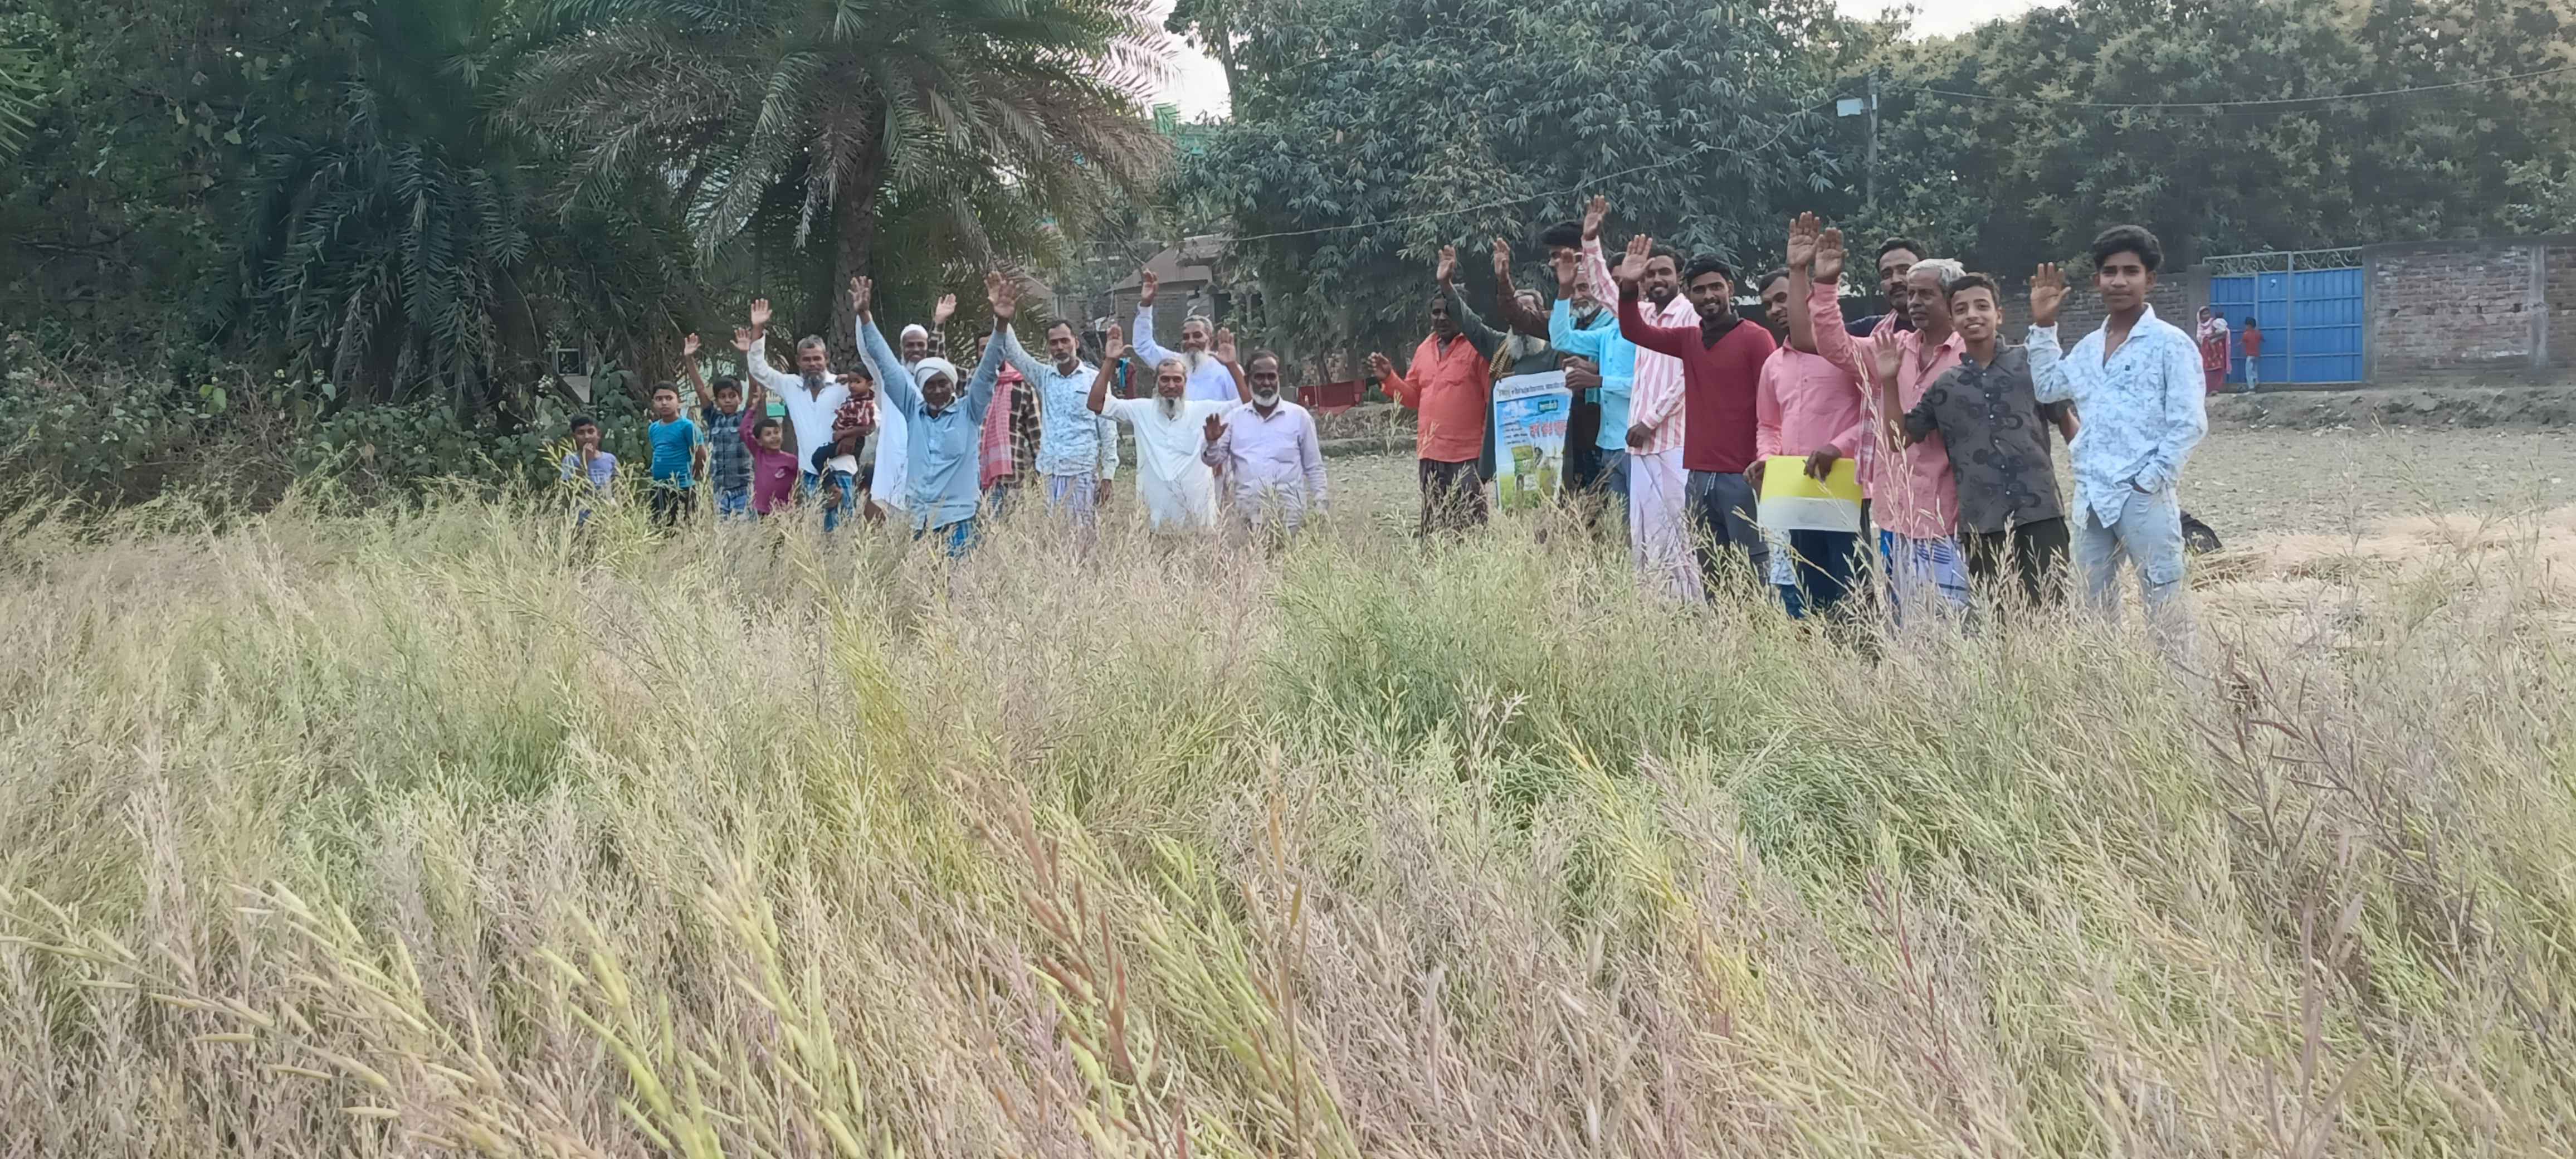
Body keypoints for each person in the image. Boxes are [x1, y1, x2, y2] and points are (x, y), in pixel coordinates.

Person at [2027, 225, 2209, 650]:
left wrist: (2151, 480)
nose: (2119, 281)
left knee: (2165, 604)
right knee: (2092, 608)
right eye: (2110, 272)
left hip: (2144, 495)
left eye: (2131, 271)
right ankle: (2106, 687)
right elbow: (2048, 388)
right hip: (2093, 497)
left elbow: (2189, 423)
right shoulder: (2089, 348)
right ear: (2097, 281)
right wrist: (2044, 324)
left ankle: (2179, 688)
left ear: (2151, 280)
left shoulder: (2170, 344)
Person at [1794, 215, 1970, 619]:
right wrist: (1825, 284)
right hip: (1897, 514)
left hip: (1954, 516)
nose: (1913, 300)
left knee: (1953, 624)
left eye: (1924, 293)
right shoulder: (1894, 348)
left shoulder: (1970, 354)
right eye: (1911, 293)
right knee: (1902, 619)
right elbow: (1835, 346)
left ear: (1951, 299)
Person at [1877, 272, 2078, 611]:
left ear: (1999, 315)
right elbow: (1898, 440)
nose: (1972, 315)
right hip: (1983, 524)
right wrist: (1888, 381)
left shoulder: (2029, 364)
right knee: (1997, 620)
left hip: (2040, 514)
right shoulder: (1945, 387)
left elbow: (2069, 425)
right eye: (1961, 309)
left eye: (1982, 306)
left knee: (2050, 613)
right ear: (1952, 321)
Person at [1612, 236, 1777, 595]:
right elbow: (1634, 330)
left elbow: (1772, 408)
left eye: (1716, 287)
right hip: (1699, 477)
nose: (1709, 296)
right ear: (1688, 294)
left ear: (1730, 288)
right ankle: (1720, 629)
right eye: (1699, 290)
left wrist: (1766, 460)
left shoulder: (1756, 339)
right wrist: (1628, 287)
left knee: (1753, 573)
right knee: (1712, 574)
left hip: (1744, 476)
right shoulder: (1688, 339)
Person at [1579, 195, 1700, 597]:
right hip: (1640, 445)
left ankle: (1690, 606)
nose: (1656, 280)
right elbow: (1603, 291)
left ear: (1679, 277)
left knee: (1680, 529)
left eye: (1664, 272)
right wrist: (1590, 240)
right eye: (1649, 275)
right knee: (1645, 531)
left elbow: (1686, 379)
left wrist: (1650, 420)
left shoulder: (1691, 316)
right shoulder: (1643, 315)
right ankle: (1654, 606)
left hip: (1675, 442)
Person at [857, 272, 1013, 558]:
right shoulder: (913, 412)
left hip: (959, 521)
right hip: (918, 522)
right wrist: (865, 316)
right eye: (930, 385)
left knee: (960, 583)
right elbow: (886, 364)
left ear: (953, 385)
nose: (938, 390)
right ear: (921, 389)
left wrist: (1001, 325)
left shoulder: (969, 411)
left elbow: (988, 369)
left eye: (943, 384)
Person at [1754, 264, 1868, 619]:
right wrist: (1767, 461)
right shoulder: (1773, 365)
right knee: (1809, 588)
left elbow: (1874, 416)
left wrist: (1838, 447)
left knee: (1854, 589)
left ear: (1807, 298)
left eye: (1783, 298)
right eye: (1768, 304)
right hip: (1797, 492)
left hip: (1847, 490)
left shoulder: (1846, 354)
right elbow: (1768, 425)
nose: (1776, 309)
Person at [1372, 267, 1494, 539]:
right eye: (1436, 312)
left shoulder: (1478, 349)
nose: (1441, 318)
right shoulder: (1424, 349)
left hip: (1467, 458)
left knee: (1471, 528)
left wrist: (1487, 459)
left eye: (1448, 311)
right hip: (1430, 456)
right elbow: (1413, 397)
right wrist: (1389, 378)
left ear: (1462, 312)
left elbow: (1492, 404)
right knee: (1434, 528)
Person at [1089, 323, 1239, 532]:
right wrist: (1110, 361)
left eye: (1177, 380)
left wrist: (1232, 366)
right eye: (1165, 380)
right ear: (1156, 382)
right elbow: (1096, 404)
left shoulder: (1203, 411)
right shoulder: (1141, 410)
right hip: (1154, 524)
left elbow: (1249, 405)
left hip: (1199, 523)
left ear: (1185, 383)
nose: (1171, 385)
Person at [994, 316, 1123, 534]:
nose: (1060, 347)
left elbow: (1108, 430)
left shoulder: (1095, 379)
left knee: (1082, 537)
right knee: (1053, 537)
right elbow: (1015, 354)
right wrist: (1002, 318)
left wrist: (1108, 476)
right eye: (1054, 343)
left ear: (1076, 343)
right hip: (1050, 473)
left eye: (1065, 341)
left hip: (1082, 473)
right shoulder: (1044, 377)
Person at [1546, 214, 1633, 508]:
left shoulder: (1651, 332)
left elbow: (1652, 388)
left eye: (1624, 283)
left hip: (1640, 446)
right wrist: (1564, 290)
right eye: (1614, 283)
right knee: (1616, 525)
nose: (1617, 290)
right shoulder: (1610, 333)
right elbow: (1561, 339)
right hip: (1608, 443)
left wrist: (1597, 379)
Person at [1201, 349, 1328, 542]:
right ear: (1248, 379)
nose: (1267, 383)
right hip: (1247, 517)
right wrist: (1211, 442)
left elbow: (1314, 466)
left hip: (1290, 517)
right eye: (1260, 377)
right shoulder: (1234, 418)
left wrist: (1321, 504)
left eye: (1271, 376)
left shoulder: (1299, 417)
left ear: (1279, 378)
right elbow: (1213, 460)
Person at [740, 298, 850, 501]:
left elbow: (873, 417)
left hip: (841, 471)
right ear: (798, 361)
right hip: (810, 474)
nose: (812, 364)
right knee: (813, 523)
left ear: (826, 359)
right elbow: (758, 370)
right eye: (807, 359)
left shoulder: (843, 386)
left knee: (844, 522)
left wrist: (852, 436)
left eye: (817, 358)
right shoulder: (790, 385)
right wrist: (758, 329)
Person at [1130, 269, 1245, 403]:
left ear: (1210, 340)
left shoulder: (1226, 369)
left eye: (1197, 335)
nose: (1191, 341)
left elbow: (1243, 404)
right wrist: (1146, 304)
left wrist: (1232, 365)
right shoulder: (1172, 364)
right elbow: (1143, 346)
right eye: (1186, 337)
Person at [678, 334, 754, 519]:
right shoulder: (713, 418)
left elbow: (754, 389)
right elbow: (700, 389)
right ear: (717, 400)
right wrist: (689, 358)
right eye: (722, 397)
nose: (727, 400)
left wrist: (748, 355)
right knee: (723, 532)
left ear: (740, 398)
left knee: (744, 531)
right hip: (719, 490)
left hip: (743, 489)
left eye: (732, 396)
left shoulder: (745, 419)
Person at [974, 330, 1041, 517]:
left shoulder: (1023, 387)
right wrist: (939, 325)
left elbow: (1037, 438)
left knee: (1004, 531)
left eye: (994, 347)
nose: (989, 353)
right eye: (983, 349)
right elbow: (937, 364)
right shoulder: (970, 386)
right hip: (972, 480)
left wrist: (1041, 478)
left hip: (1010, 481)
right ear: (977, 353)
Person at [806, 368, 879, 532]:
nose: (852, 385)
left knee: (818, 457)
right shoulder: (856, 397)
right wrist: (847, 378)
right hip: (844, 441)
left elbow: (867, 426)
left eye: (857, 382)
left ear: (869, 384)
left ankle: (833, 489)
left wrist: (844, 434)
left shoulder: (866, 403)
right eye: (851, 382)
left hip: (850, 442)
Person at [642, 382, 706, 528]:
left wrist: (695, 475)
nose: (664, 403)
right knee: (661, 527)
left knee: (685, 527)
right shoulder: (653, 428)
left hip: (683, 486)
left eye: (669, 398)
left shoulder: (687, 426)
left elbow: (701, 453)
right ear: (653, 403)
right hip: (659, 486)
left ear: (679, 401)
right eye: (659, 399)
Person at [1846, 237, 1925, 338]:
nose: (1895, 280)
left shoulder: (1944, 332)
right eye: (1887, 275)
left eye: (1905, 271)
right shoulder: (1870, 330)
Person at [559, 414, 615, 525]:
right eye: (581, 433)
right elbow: (570, 492)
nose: (587, 437)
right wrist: (585, 461)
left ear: (598, 435)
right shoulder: (570, 460)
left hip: (605, 519)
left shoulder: (610, 459)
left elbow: (617, 486)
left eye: (591, 431)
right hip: (579, 520)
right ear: (574, 437)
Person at [2197, 307, 2232, 396]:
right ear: (2200, 316)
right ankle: (2208, 389)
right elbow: (2200, 337)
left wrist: (2215, 336)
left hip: (2218, 348)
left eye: (2208, 313)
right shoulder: (2200, 326)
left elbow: (2225, 331)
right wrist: (2209, 338)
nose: (2207, 316)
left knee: (2219, 368)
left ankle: (2216, 388)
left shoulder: (2215, 322)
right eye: (2204, 314)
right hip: (2207, 350)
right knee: (2207, 369)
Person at [2239, 316, 2263, 391]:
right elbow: (2262, 339)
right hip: (2256, 355)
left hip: (2250, 355)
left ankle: (2251, 388)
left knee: (2249, 372)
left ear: (2249, 326)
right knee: (2254, 369)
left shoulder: (2246, 334)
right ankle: (2256, 381)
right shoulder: (2258, 333)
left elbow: (2242, 342)